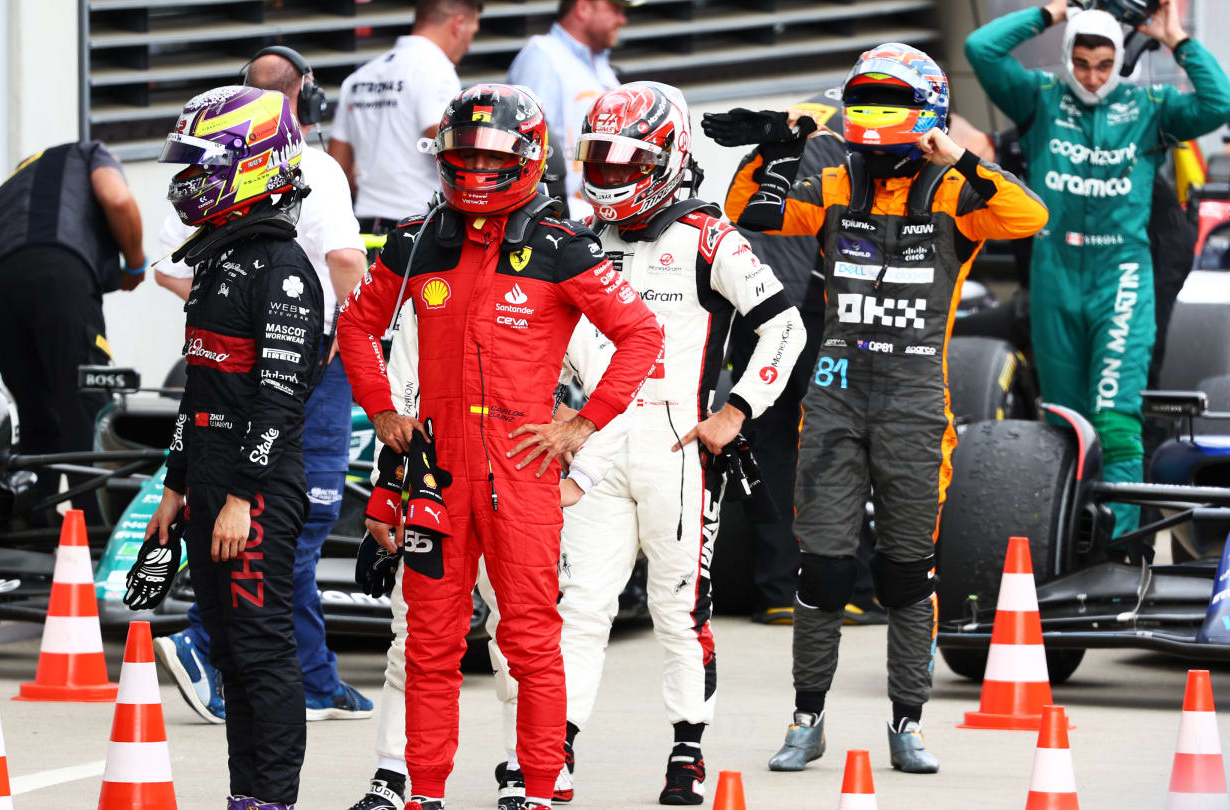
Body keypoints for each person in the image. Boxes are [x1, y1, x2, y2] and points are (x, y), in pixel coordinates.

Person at [702, 42, 1049, 774]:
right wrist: (772, 152)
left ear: (925, 111)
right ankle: (807, 718)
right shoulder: (834, 173)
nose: (872, 115)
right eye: (867, 99)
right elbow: (749, 217)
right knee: (822, 567)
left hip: (918, 399)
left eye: (889, 100)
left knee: (906, 571)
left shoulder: (955, 190)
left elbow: (1029, 216)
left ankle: (907, 722)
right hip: (833, 391)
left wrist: (955, 155)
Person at [337, 83, 663, 810]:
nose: (476, 168)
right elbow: (356, 327)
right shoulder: (419, 238)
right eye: (464, 155)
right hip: (436, 473)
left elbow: (641, 334)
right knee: (428, 644)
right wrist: (383, 408)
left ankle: (540, 790)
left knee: (531, 640)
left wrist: (582, 426)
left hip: (522, 471)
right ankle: (422, 793)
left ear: (527, 156)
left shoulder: (559, 243)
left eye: (491, 155)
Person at [553, 82, 806, 805]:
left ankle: (686, 754)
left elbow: (783, 327)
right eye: (597, 160)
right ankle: (554, 754)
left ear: (665, 157)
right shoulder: (576, 238)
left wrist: (736, 411)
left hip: (678, 441)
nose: (606, 176)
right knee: (581, 606)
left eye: (623, 162)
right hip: (594, 437)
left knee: (678, 607)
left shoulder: (708, 236)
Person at [152, 46, 374, 727]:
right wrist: (352, 335)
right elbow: (342, 258)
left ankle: (312, 674)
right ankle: (206, 640)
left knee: (263, 506)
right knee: (298, 512)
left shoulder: (213, 164)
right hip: (309, 363)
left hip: (227, 362)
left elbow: (165, 268)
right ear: (306, 100)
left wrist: (228, 306)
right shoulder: (316, 168)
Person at [964, 0, 1230, 538]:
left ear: (1117, 63)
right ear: (1067, 58)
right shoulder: (1038, 100)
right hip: (1054, 275)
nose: (1092, 76)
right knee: (1063, 420)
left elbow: (1218, 101)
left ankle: (1123, 549)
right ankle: (1060, 546)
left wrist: (1176, 38)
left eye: (1104, 64)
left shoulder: (1151, 106)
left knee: (1114, 421)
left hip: (1123, 276)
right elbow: (979, 50)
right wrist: (1052, 11)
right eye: (1081, 63)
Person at [348, 304, 630, 810]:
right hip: (436, 493)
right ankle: (394, 772)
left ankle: (524, 771)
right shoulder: (428, 280)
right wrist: (385, 492)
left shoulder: (551, 275)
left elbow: (625, 375)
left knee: (521, 639)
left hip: (521, 492)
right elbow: (397, 400)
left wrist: (583, 475)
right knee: (413, 635)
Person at [145, 85, 325, 810]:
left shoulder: (284, 270)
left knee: (260, 649)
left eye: (200, 164)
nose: (186, 178)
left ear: (251, 165)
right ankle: (244, 797)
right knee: (226, 650)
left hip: (259, 485)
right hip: (212, 482)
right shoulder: (217, 260)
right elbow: (199, 395)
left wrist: (242, 500)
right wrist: (175, 485)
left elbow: (280, 401)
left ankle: (272, 800)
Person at [721, 91, 885, 627]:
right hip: (813, 310)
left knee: (768, 447)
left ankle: (775, 590)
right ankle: (852, 587)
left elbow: (737, 210)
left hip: (751, 303)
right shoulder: (863, 140)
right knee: (838, 441)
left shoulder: (794, 121)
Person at [0, 141, 145, 525]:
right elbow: (117, 200)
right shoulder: (90, 153)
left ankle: (32, 534)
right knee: (88, 407)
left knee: (38, 415)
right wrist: (134, 265)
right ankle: (98, 541)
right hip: (56, 272)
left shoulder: (12, 186)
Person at [329, 0, 482, 233]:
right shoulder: (436, 70)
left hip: (363, 226)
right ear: (458, 24)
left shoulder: (360, 77)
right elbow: (454, 151)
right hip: (419, 225)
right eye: (473, 32)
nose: (470, 46)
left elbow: (337, 169)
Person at [505, 0, 636, 220]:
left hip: (595, 208)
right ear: (583, 8)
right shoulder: (542, 57)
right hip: (561, 214)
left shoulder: (598, 62)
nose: (622, 20)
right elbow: (527, 145)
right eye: (616, 9)